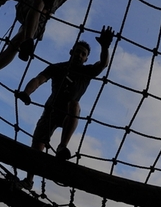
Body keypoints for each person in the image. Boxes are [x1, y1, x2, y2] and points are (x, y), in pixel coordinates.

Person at [15, 26, 114, 191]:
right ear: (71, 52)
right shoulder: (57, 67)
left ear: (86, 58)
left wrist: (104, 47)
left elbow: (103, 64)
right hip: (51, 110)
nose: (79, 55)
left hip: (69, 113)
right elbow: (39, 79)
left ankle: (62, 146)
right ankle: (29, 180)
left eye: (83, 54)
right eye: (77, 51)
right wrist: (26, 92)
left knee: (74, 105)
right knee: (36, 148)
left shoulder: (86, 72)